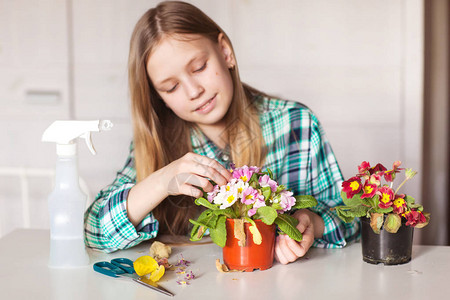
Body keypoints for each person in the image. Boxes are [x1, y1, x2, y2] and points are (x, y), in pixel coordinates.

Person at [84, 0, 359, 265]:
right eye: (171, 87)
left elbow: (352, 219)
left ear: (225, 52)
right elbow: (93, 231)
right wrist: (161, 181)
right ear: (159, 98)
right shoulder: (158, 143)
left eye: (200, 68)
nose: (194, 92)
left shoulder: (295, 123)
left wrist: (311, 222)